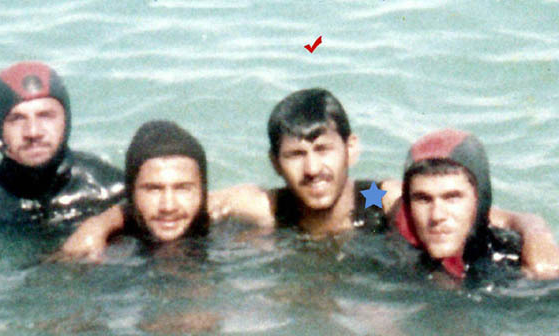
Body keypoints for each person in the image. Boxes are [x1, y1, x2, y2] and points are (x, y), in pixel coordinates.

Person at [61, 88, 559, 272]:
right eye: (296, 155)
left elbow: (493, 214)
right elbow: (175, 201)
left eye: (324, 150)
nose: (314, 169)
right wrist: (99, 225)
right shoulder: (266, 207)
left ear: (351, 149)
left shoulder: (375, 198)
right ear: (275, 162)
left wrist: (536, 234)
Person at [0, 61, 123, 225]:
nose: (33, 132)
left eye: (45, 116)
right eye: (17, 119)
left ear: (65, 122)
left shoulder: (114, 190)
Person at [394, 129, 558, 282]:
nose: (436, 215)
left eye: (452, 198)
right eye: (423, 199)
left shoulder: (510, 265)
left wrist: (537, 233)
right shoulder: (392, 223)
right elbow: (388, 190)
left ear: (478, 200)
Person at [122, 119, 209, 246]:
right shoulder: (105, 247)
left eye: (182, 188)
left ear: (202, 192)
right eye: (154, 189)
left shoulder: (228, 234)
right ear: (131, 192)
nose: (168, 207)